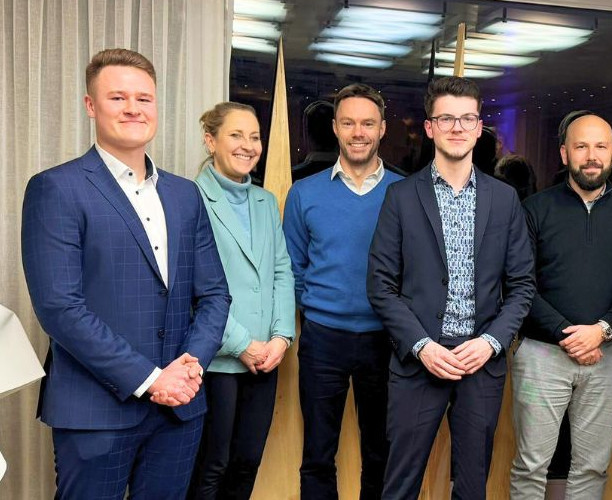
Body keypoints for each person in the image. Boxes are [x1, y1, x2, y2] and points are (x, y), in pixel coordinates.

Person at [20, 48, 230, 498]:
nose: (134, 108)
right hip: (96, 409)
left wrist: (189, 369)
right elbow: (60, 307)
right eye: (118, 98)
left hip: (180, 409)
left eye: (144, 98)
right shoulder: (56, 188)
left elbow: (214, 294)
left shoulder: (185, 195)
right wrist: (152, 379)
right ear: (91, 106)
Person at [367, 76, 535, 500]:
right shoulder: (401, 197)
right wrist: (422, 345)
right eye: (446, 118)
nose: (457, 128)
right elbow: (380, 285)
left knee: (473, 485)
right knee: (400, 483)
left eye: (467, 119)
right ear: (429, 128)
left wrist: (492, 343)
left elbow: (522, 286)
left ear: (479, 128)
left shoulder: (504, 199)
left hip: (481, 363)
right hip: (419, 361)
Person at [509, 111, 612, 499]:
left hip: (607, 356)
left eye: (600, 146)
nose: (591, 155)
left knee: (591, 466)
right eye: (581, 146)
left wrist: (600, 331)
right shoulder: (534, 210)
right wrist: (566, 335)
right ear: (564, 153)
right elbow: (520, 283)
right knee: (530, 465)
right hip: (541, 357)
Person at [284, 83, 404, 499]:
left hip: (387, 340)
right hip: (323, 339)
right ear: (335, 128)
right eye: (349, 122)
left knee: (381, 452)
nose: (358, 132)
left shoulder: (405, 194)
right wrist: (320, 308)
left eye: (368, 123)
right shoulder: (303, 194)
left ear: (383, 129)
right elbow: (293, 268)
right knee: (318, 454)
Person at [186, 102, 295, 500]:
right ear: (210, 139)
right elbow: (190, 286)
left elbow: (281, 271)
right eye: (236, 135)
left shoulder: (265, 202)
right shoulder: (190, 198)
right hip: (217, 358)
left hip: (266, 358)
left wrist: (282, 337)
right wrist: (241, 344)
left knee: (248, 461)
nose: (248, 145)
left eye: (254, 137)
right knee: (211, 466)